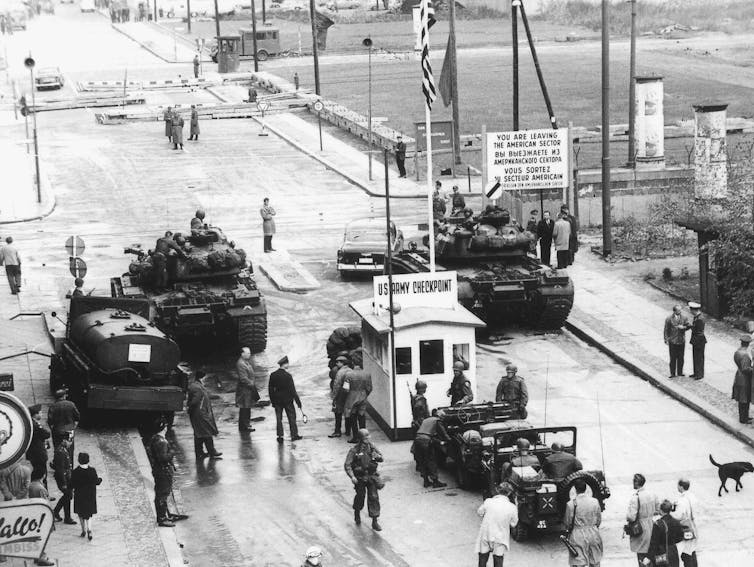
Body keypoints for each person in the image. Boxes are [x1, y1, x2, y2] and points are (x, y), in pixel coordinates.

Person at [344, 429, 383, 531]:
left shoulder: (372, 447)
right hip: (360, 478)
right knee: (360, 496)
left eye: (368, 437)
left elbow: (381, 458)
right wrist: (352, 476)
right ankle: (357, 511)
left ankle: (375, 521)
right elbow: (347, 465)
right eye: (365, 438)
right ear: (360, 439)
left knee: (373, 497)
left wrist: (377, 456)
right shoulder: (354, 450)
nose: (367, 440)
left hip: (371, 476)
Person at [475, 482, 518, 567]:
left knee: (483, 557)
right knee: (498, 559)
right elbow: (514, 524)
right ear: (509, 493)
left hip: (486, 534)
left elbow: (479, 512)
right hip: (500, 536)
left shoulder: (488, 501)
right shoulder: (512, 507)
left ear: (497, 490)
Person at [564, 478, 603, 567]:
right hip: (593, 533)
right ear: (586, 489)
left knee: (578, 562)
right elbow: (599, 520)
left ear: (575, 489)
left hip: (577, 535)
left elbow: (567, 523)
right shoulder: (594, 501)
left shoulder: (570, 504)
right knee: (595, 560)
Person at [146, 420, 177, 527]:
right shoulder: (162, 442)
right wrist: (172, 452)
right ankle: (162, 518)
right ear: (164, 428)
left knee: (161, 493)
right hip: (163, 471)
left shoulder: (155, 438)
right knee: (163, 494)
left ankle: (163, 515)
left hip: (159, 470)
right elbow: (163, 458)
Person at [187, 371, 223, 459]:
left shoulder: (196, 386)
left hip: (198, 413)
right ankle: (211, 451)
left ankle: (200, 452)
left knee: (199, 433)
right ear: (201, 378)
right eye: (205, 378)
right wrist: (191, 410)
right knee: (206, 432)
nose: (206, 380)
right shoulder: (197, 388)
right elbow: (195, 401)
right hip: (200, 414)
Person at [627, 473, 660, 566]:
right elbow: (658, 509)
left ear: (636, 482)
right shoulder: (652, 494)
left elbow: (631, 517)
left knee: (642, 554)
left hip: (641, 529)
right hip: (653, 526)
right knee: (652, 553)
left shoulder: (635, 497)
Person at [269, 356, 303, 443]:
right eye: (287, 363)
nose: (288, 365)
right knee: (291, 417)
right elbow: (293, 390)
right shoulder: (288, 376)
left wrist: (273, 401)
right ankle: (294, 435)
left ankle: (280, 436)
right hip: (288, 400)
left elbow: (270, 390)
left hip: (277, 400)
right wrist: (298, 402)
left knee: (279, 418)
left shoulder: (273, 375)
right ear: (285, 364)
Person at [412, 413, 449, 488]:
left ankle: (426, 481)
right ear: (441, 417)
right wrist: (448, 440)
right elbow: (443, 433)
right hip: (426, 442)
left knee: (422, 461)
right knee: (431, 460)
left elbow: (425, 432)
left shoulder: (426, 420)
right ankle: (435, 482)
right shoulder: (437, 421)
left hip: (417, 440)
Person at [71, 452, 102, 541]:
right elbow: (97, 481)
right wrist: (100, 479)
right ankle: (89, 529)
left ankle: (83, 530)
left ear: (79, 460)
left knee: (80, 513)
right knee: (89, 514)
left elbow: (72, 483)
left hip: (79, 495)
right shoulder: (92, 470)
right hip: (90, 495)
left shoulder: (75, 472)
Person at [28, 472, 55, 565]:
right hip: (42, 516)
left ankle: (37, 555)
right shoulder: (40, 488)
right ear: (43, 475)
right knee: (43, 537)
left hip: (33, 514)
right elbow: (45, 503)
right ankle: (41, 557)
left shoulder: (30, 485)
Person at [647, 500, 684, 567]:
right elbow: (681, 537)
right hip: (673, 551)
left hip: (661, 552)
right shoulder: (676, 522)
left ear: (661, 510)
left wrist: (649, 557)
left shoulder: (658, 524)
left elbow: (654, 543)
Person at [671, 478, 698, 567]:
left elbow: (679, 515)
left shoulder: (682, 500)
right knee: (692, 550)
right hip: (694, 526)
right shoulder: (692, 496)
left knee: (686, 553)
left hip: (686, 528)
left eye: (678, 485)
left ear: (681, 487)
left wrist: (670, 513)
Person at [344, 360, 373, 443]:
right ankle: (363, 437)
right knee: (362, 416)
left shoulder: (348, 375)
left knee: (353, 417)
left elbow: (345, 389)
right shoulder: (367, 374)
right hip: (363, 396)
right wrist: (364, 394)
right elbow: (370, 388)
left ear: (353, 365)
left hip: (352, 397)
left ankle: (355, 437)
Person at [48, 388, 79, 457]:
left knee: (58, 448)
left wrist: (53, 429)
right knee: (70, 449)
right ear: (64, 396)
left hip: (57, 431)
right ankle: (69, 464)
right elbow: (77, 416)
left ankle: (58, 463)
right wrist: (73, 427)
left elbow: (50, 421)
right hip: (69, 430)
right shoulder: (71, 404)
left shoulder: (53, 406)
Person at [52, 437, 77, 525]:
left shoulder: (63, 450)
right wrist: (63, 483)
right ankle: (61, 514)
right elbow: (60, 469)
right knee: (68, 495)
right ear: (63, 441)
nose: (70, 443)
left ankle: (63, 515)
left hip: (67, 477)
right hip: (63, 479)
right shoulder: (60, 452)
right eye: (69, 441)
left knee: (68, 496)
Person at [26, 404, 51, 490]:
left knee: (40, 472)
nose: (41, 414)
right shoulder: (36, 426)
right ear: (35, 414)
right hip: (38, 454)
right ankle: (40, 490)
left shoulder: (33, 423)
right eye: (40, 412)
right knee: (40, 473)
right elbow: (47, 434)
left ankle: (43, 491)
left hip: (35, 453)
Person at [236, 347, 259, 432]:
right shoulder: (241, 364)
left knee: (246, 407)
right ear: (242, 354)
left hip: (248, 389)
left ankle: (245, 425)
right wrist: (251, 384)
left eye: (249, 353)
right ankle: (245, 426)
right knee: (245, 408)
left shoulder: (245, 362)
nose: (249, 354)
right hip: (245, 390)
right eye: (248, 353)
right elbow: (243, 379)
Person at [664, 305, 690, 378]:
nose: (680, 312)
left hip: (681, 340)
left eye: (680, 310)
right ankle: (672, 373)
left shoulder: (684, 317)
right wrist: (666, 339)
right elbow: (666, 329)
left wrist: (684, 327)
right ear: (674, 311)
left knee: (681, 357)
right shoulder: (669, 319)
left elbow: (688, 326)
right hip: (673, 341)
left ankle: (680, 372)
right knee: (673, 358)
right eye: (678, 310)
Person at [732, 335, 753, 424]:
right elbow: (745, 369)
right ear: (748, 344)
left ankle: (744, 416)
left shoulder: (738, 351)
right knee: (744, 399)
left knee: (742, 398)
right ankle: (744, 418)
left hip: (739, 376)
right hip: (744, 379)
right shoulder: (745, 355)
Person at [329, 355, 350, 438]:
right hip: (348, 395)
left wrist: (333, 397)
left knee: (338, 413)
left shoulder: (340, 372)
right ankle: (348, 430)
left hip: (340, 395)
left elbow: (337, 385)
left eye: (338, 362)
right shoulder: (350, 370)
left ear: (342, 363)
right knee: (348, 413)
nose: (337, 364)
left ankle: (337, 431)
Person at [688, 302, 706, 380]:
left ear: (694, 310)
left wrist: (689, 326)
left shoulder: (699, 319)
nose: (690, 312)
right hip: (696, 340)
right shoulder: (697, 317)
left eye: (691, 310)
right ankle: (696, 372)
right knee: (695, 356)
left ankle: (700, 374)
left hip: (699, 340)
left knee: (699, 357)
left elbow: (697, 330)